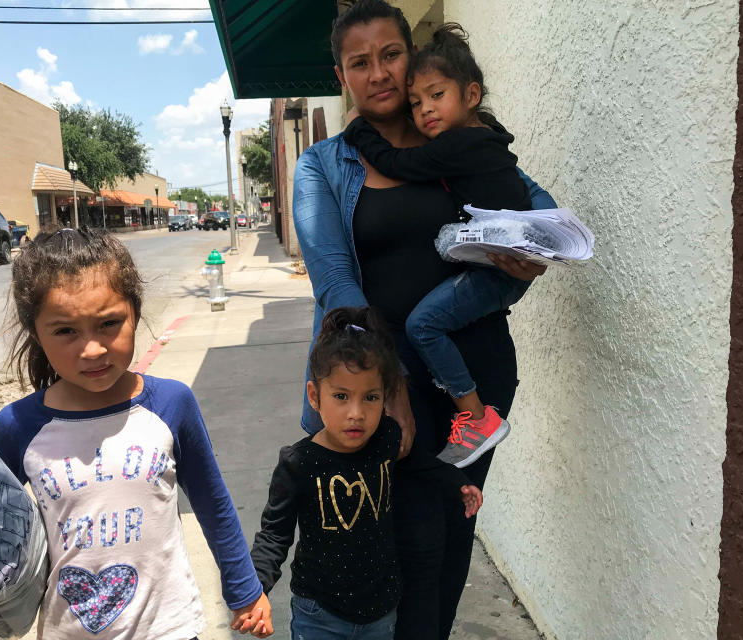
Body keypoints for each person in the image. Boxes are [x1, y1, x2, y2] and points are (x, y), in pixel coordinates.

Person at [293, 2, 556, 638]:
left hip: (475, 377)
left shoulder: (455, 141)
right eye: (362, 62)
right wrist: (396, 391)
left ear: (411, 58)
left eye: (391, 54)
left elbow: (538, 213)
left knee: (451, 537)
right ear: (343, 74)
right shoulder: (324, 165)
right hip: (384, 387)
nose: (380, 73)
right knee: (401, 545)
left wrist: (528, 256)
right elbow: (337, 286)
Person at [0, 227, 273, 639]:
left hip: (168, 628)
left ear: (135, 314)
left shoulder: (171, 405)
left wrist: (245, 590)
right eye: (66, 331)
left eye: (108, 323)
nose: (92, 349)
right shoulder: (16, 427)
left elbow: (213, 503)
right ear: (36, 332)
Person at [343, 22, 538, 468]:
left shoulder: (456, 146)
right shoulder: (484, 136)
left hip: (497, 274)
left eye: (436, 95)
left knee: (424, 325)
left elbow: (395, 161)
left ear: (470, 95)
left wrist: (357, 130)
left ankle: (474, 416)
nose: (425, 110)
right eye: (417, 102)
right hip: (494, 267)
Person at [250, 306, 483, 640]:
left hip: (380, 610)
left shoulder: (386, 437)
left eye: (370, 397)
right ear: (315, 396)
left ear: (385, 397)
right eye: (341, 397)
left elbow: (420, 463)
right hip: (320, 613)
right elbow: (274, 534)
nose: (356, 413)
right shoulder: (298, 463)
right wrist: (255, 587)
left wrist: (458, 484)